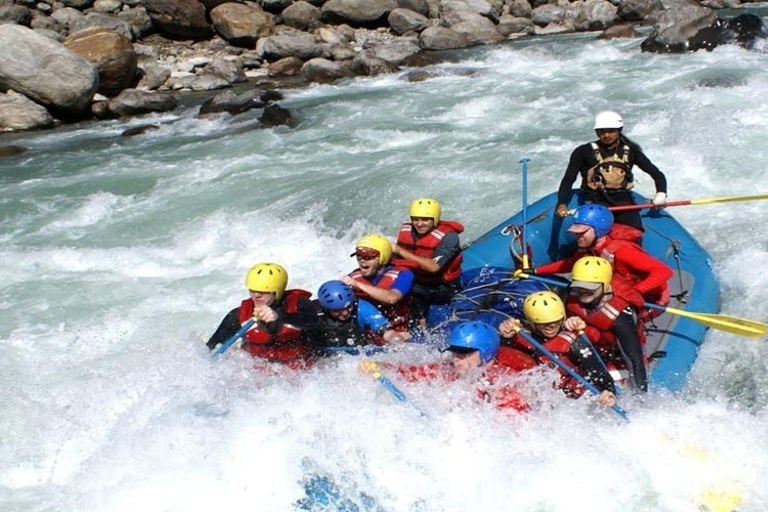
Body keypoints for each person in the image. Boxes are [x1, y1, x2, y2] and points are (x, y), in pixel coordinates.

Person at [359, 321, 537, 413]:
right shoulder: (452, 369)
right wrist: (380, 365)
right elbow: (413, 373)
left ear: (486, 354)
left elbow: (516, 427)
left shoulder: (503, 384)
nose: (456, 359)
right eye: (455, 351)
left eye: (465, 353)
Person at [530, 204, 673, 309]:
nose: (577, 236)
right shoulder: (589, 248)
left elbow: (664, 271)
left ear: (599, 230)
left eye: (582, 232)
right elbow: (570, 264)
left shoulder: (622, 251)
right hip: (622, 289)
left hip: (651, 297)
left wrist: (636, 291)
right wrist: (536, 271)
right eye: (576, 231)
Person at [555, 110, 668, 232]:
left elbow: (657, 175)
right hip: (594, 202)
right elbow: (568, 180)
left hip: (623, 202)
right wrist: (562, 203)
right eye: (601, 131)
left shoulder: (631, 151)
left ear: (619, 130)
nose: (606, 135)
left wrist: (661, 194)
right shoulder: (583, 151)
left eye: (611, 131)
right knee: (592, 237)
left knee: (632, 234)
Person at [499, 291, 619, 404]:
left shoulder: (573, 342)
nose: (551, 326)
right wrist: (506, 336)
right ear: (531, 322)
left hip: (574, 397)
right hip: (545, 395)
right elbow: (505, 354)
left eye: (555, 321)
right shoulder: (524, 337)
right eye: (543, 323)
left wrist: (609, 390)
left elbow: (597, 369)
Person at [562, 256, 649, 392]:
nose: (583, 292)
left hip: (615, 359)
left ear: (605, 285)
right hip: (586, 352)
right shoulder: (571, 296)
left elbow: (635, 360)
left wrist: (640, 397)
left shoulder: (619, 316)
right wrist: (564, 324)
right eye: (579, 287)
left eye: (590, 288)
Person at [206, 263, 315, 366]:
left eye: (263, 291)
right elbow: (211, 348)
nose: (256, 295)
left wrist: (280, 316)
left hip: (299, 375)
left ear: (277, 291)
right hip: (257, 376)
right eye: (252, 290)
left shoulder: (300, 304)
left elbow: (313, 322)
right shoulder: (238, 315)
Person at [391, 198, 464, 329]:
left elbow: (433, 266)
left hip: (442, 287)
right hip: (417, 283)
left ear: (435, 219)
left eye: (425, 219)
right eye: (415, 219)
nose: (419, 224)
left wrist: (399, 250)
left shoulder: (449, 237)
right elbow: (397, 258)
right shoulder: (407, 232)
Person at [306, 280, 408, 356]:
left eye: (348, 307)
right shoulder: (312, 311)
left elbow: (388, 333)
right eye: (337, 311)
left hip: (356, 356)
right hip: (320, 356)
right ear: (325, 308)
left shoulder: (362, 308)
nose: (345, 313)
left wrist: (401, 346)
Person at [341, 233, 415, 334]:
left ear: (383, 258)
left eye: (368, 257)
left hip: (398, 329)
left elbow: (392, 298)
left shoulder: (404, 274)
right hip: (368, 332)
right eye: (359, 256)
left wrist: (358, 285)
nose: (362, 261)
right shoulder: (353, 277)